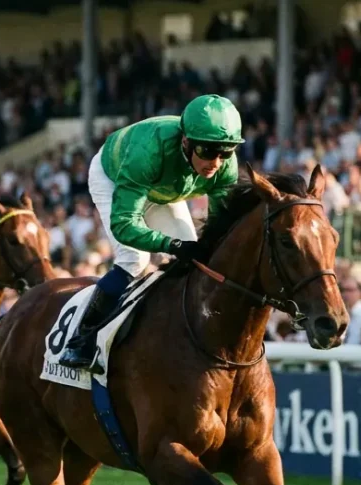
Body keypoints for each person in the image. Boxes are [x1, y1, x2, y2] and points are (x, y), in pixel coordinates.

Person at [59, 94, 243, 370]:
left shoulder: (225, 167)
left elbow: (219, 228)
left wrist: (193, 248)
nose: (216, 162)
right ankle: (80, 340)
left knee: (196, 260)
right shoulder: (150, 151)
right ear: (186, 141)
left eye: (225, 152)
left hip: (163, 187)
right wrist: (171, 244)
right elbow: (124, 225)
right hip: (114, 175)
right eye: (207, 151)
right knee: (135, 261)